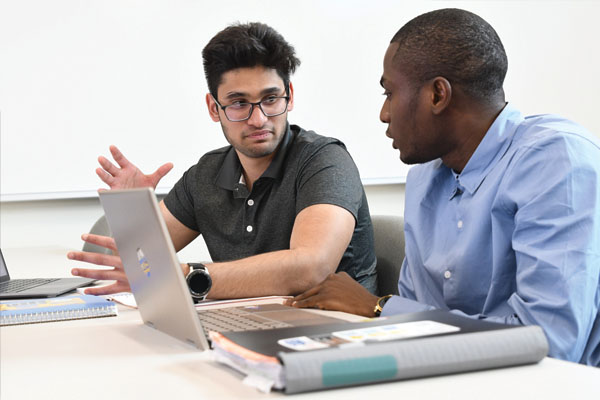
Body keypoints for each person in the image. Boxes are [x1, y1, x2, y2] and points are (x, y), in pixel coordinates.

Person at [287, 8, 600, 366]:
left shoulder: (555, 160)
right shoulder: (424, 177)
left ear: (438, 95)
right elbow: (417, 314)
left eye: (389, 93)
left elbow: (549, 343)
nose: (384, 114)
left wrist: (379, 309)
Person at [68, 22, 377, 299]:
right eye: (239, 103)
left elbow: (311, 268)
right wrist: (135, 210)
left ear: (290, 96)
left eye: (270, 99)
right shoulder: (206, 174)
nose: (258, 119)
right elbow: (139, 264)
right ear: (213, 108)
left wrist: (189, 275)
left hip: (331, 334)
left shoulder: (325, 161)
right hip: (244, 328)